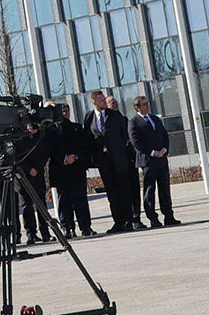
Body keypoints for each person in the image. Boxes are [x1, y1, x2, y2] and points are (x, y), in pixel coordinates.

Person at [89, 90, 139, 232]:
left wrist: (121, 151)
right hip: (104, 162)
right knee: (112, 193)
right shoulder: (90, 118)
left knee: (123, 190)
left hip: (118, 159)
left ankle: (129, 221)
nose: (104, 102)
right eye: (101, 100)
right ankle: (118, 221)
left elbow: (125, 135)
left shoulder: (115, 115)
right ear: (94, 102)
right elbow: (89, 138)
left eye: (104, 99)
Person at [130, 94, 178, 227]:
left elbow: (164, 135)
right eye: (144, 104)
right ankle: (153, 218)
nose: (147, 106)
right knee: (149, 190)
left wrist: (164, 149)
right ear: (137, 108)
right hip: (148, 161)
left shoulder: (155, 119)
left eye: (147, 103)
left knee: (165, 188)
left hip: (161, 159)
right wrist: (152, 152)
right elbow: (136, 142)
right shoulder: (134, 122)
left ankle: (169, 215)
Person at [47, 107, 94, 236]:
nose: (65, 113)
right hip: (60, 170)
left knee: (81, 199)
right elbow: (50, 149)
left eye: (67, 110)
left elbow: (84, 147)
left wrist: (75, 157)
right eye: (62, 111)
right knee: (64, 200)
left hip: (77, 169)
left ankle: (85, 227)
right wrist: (64, 158)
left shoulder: (77, 128)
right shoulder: (50, 130)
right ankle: (67, 227)